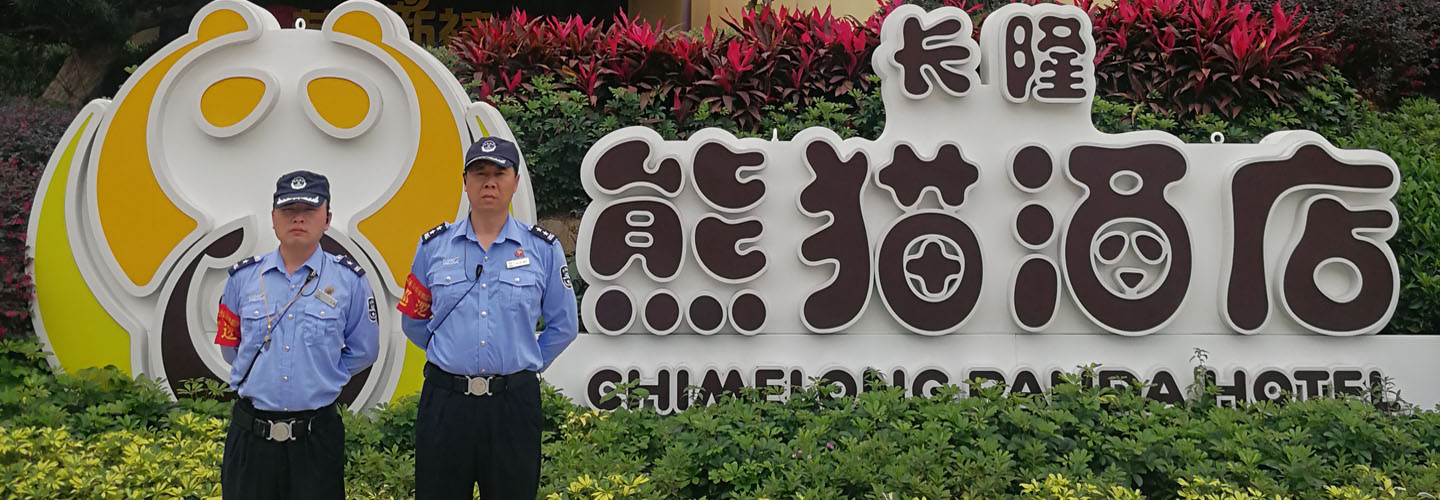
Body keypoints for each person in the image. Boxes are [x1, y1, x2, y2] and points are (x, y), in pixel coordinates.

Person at [396, 136, 578, 499]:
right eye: (480, 173)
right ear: (465, 182)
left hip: (513, 405)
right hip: (446, 404)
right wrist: (447, 353)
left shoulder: (542, 249)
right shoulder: (433, 247)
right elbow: (414, 319)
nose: (489, 182)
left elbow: (564, 325)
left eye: (499, 173)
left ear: (515, 181)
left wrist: (524, 363)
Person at [213, 170, 380, 500]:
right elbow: (230, 348)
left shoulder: (350, 281)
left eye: (309, 210)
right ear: (273, 218)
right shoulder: (242, 279)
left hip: (315, 440)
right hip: (251, 439)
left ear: (327, 218)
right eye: (289, 210)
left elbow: (364, 350)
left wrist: (323, 376)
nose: (298, 218)